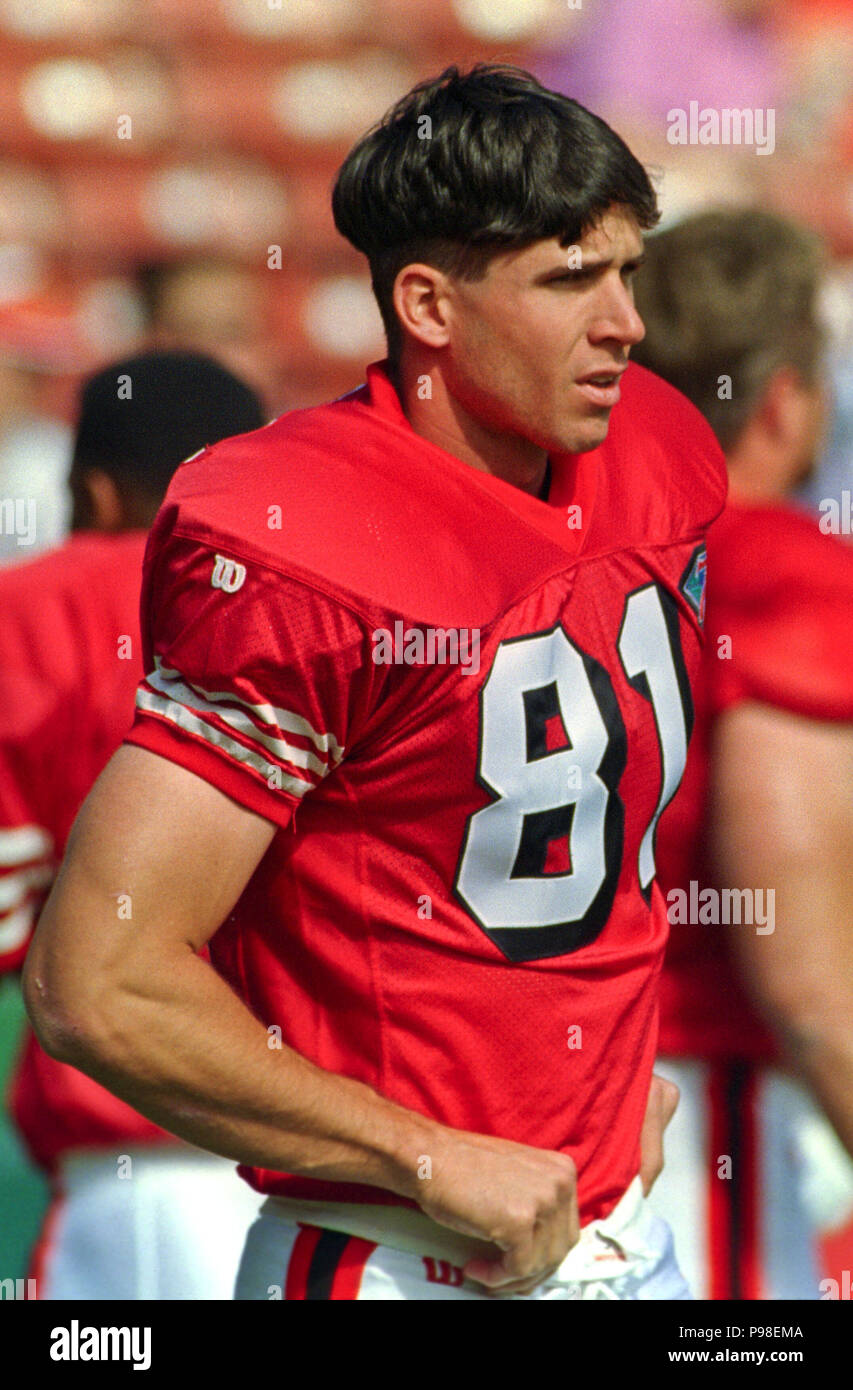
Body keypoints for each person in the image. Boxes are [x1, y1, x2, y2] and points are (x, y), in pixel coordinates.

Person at [23, 65, 726, 1301]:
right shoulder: (308, 535)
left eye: (628, 271)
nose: (626, 323)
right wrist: (423, 1152)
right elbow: (100, 980)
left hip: (626, 1235)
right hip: (405, 1264)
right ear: (428, 307)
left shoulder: (656, 450)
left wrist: (612, 1086)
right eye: (571, 279)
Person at [0, 351, 267, 1298]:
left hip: (141, 1172)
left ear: (95, 490)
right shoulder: (338, 603)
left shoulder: (33, 606)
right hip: (353, 1175)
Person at [631, 208, 853, 1299]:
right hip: (698, 1110)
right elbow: (804, 975)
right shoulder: (782, 572)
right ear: (782, 396)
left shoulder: (575, 553)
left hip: (534, 1109)